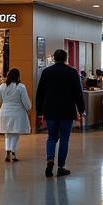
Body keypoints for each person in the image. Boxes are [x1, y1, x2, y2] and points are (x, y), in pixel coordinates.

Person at [35, 49, 85, 177]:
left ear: (54, 58)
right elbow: (78, 93)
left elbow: (40, 93)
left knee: (51, 137)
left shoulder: (46, 72)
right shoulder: (72, 72)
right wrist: (81, 110)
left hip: (50, 110)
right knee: (64, 139)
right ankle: (61, 167)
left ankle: (50, 160)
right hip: (67, 111)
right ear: (66, 58)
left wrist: (39, 111)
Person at [0, 67, 31, 162]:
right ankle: (13, 152)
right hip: (17, 112)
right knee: (15, 133)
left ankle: (7, 150)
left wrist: (5, 103)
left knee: (7, 133)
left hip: (5, 111)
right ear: (18, 76)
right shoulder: (21, 87)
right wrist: (29, 108)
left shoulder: (3, 86)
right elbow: (26, 102)